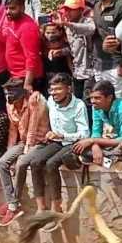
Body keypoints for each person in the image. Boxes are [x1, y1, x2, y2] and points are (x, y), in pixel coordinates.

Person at [0, 79, 51, 225]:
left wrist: (26, 150)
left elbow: (33, 127)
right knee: (2, 162)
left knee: (21, 163)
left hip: (40, 141)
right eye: (7, 92)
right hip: (23, 141)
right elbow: (13, 130)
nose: (9, 95)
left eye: (12, 91)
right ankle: (12, 201)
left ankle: (13, 206)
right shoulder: (9, 105)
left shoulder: (34, 101)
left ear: (22, 91)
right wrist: (10, 151)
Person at [43, 73, 90, 213]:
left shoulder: (79, 106)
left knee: (51, 164)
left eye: (58, 89)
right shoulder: (50, 101)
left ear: (69, 89)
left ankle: (56, 205)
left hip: (71, 142)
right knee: (35, 161)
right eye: (51, 90)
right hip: (55, 141)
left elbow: (85, 133)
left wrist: (63, 135)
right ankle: (41, 206)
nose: (54, 93)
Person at [76, 80, 122, 164]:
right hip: (117, 141)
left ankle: (110, 157)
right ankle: (114, 157)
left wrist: (92, 141)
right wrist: (95, 146)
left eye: (97, 98)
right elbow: (96, 132)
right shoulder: (96, 107)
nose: (93, 101)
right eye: (91, 98)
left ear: (109, 98)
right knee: (81, 148)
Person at [56, 0, 96, 102]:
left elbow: (91, 29)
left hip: (90, 71)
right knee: (77, 101)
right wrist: (60, 52)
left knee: (89, 101)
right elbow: (72, 48)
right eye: (66, 10)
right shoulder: (67, 26)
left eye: (71, 10)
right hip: (77, 72)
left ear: (80, 10)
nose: (67, 12)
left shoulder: (87, 21)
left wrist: (68, 24)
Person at [3, 0, 44, 93]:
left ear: (22, 8)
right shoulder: (11, 21)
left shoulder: (27, 28)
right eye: (6, 8)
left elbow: (32, 57)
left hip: (25, 77)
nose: (8, 12)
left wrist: (28, 83)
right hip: (15, 75)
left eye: (12, 8)